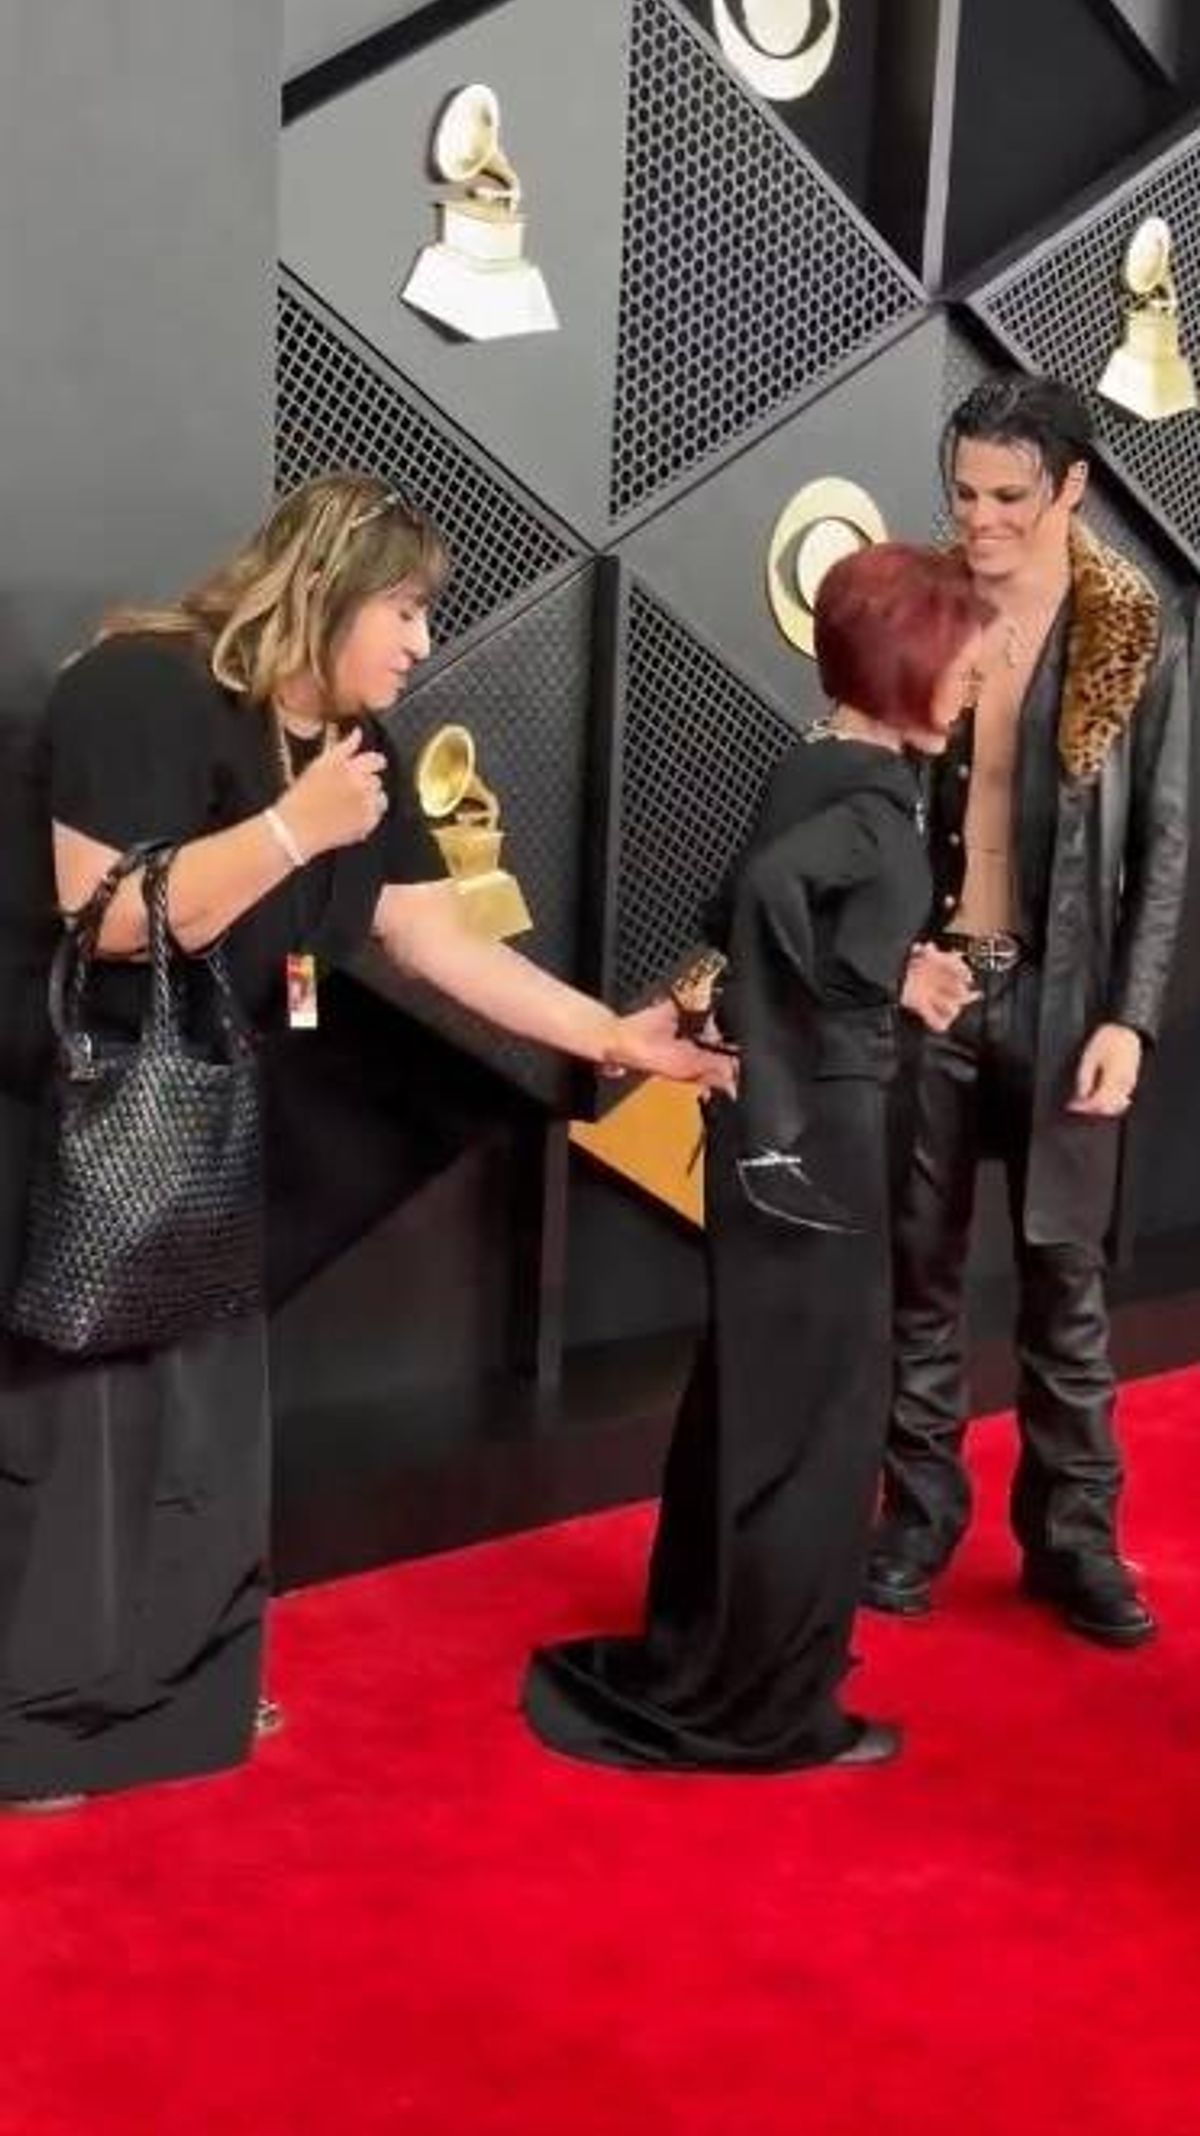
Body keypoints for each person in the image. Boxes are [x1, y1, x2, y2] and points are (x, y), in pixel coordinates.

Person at [0, 471, 727, 1809]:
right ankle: (46, 1724)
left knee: (203, 1424)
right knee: (76, 1427)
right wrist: (288, 832)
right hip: (70, 1118)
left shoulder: (354, 750)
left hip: (205, 1122)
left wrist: (613, 1042)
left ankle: (170, 1692)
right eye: (403, 609)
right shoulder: (142, 688)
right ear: (324, 589)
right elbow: (99, 914)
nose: (418, 643)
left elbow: (430, 933)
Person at [522, 543, 992, 1773]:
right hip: (815, 1144)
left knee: (758, 1402)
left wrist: (877, 981)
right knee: (816, 1422)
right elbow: (775, 898)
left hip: (782, 1133)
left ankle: (714, 1653)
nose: (980, 679)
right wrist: (801, 1053)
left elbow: (736, 915)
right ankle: (769, 1708)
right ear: (910, 660)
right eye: (969, 659)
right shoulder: (870, 797)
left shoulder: (816, 761)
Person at [864, 376, 1192, 1645]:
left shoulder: (1135, 628)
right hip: (933, 991)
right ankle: (917, 1517)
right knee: (918, 1275)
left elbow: (1165, 841)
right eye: (965, 492)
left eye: (1011, 495)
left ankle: (1075, 1540)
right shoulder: (916, 607)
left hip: (1065, 1001)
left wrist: (1133, 1016)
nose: (982, 519)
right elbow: (863, 793)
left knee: (1067, 1284)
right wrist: (885, 958)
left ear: (1070, 489)